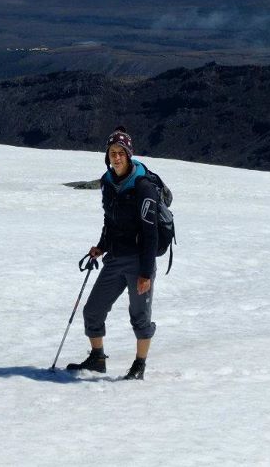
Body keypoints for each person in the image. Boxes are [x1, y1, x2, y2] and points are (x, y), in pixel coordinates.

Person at [67, 126, 159, 380]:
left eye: (121, 152)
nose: (116, 157)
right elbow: (111, 221)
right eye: (112, 152)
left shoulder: (143, 187)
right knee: (93, 311)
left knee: (140, 316)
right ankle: (97, 358)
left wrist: (145, 273)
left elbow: (151, 234)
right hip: (115, 258)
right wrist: (101, 246)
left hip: (140, 260)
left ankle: (139, 365)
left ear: (129, 155)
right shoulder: (108, 183)